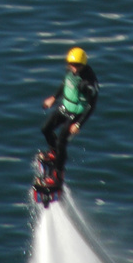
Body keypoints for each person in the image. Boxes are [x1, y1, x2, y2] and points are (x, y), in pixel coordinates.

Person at [41, 46, 99, 174]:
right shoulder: (71, 72)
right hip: (65, 107)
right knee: (45, 129)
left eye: (77, 65)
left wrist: (78, 124)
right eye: (71, 64)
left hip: (76, 113)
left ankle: (58, 172)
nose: (74, 67)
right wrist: (54, 98)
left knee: (62, 141)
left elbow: (91, 105)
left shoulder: (88, 83)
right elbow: (65, 83)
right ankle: (54, 151)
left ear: (83, 65)